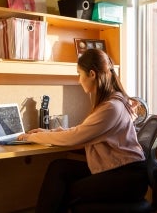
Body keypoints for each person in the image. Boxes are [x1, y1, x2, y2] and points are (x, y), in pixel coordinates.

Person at [17, 49, 148, 213]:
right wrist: (49, 132)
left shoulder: (111, 107)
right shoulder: (114, 101)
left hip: (126, 177)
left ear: (92, 74)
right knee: (59, 167)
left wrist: (32, 137)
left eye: (80, 74)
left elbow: (74, 137)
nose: (79, 80)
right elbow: (84, 130)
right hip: (118, 169)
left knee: (64, 190)